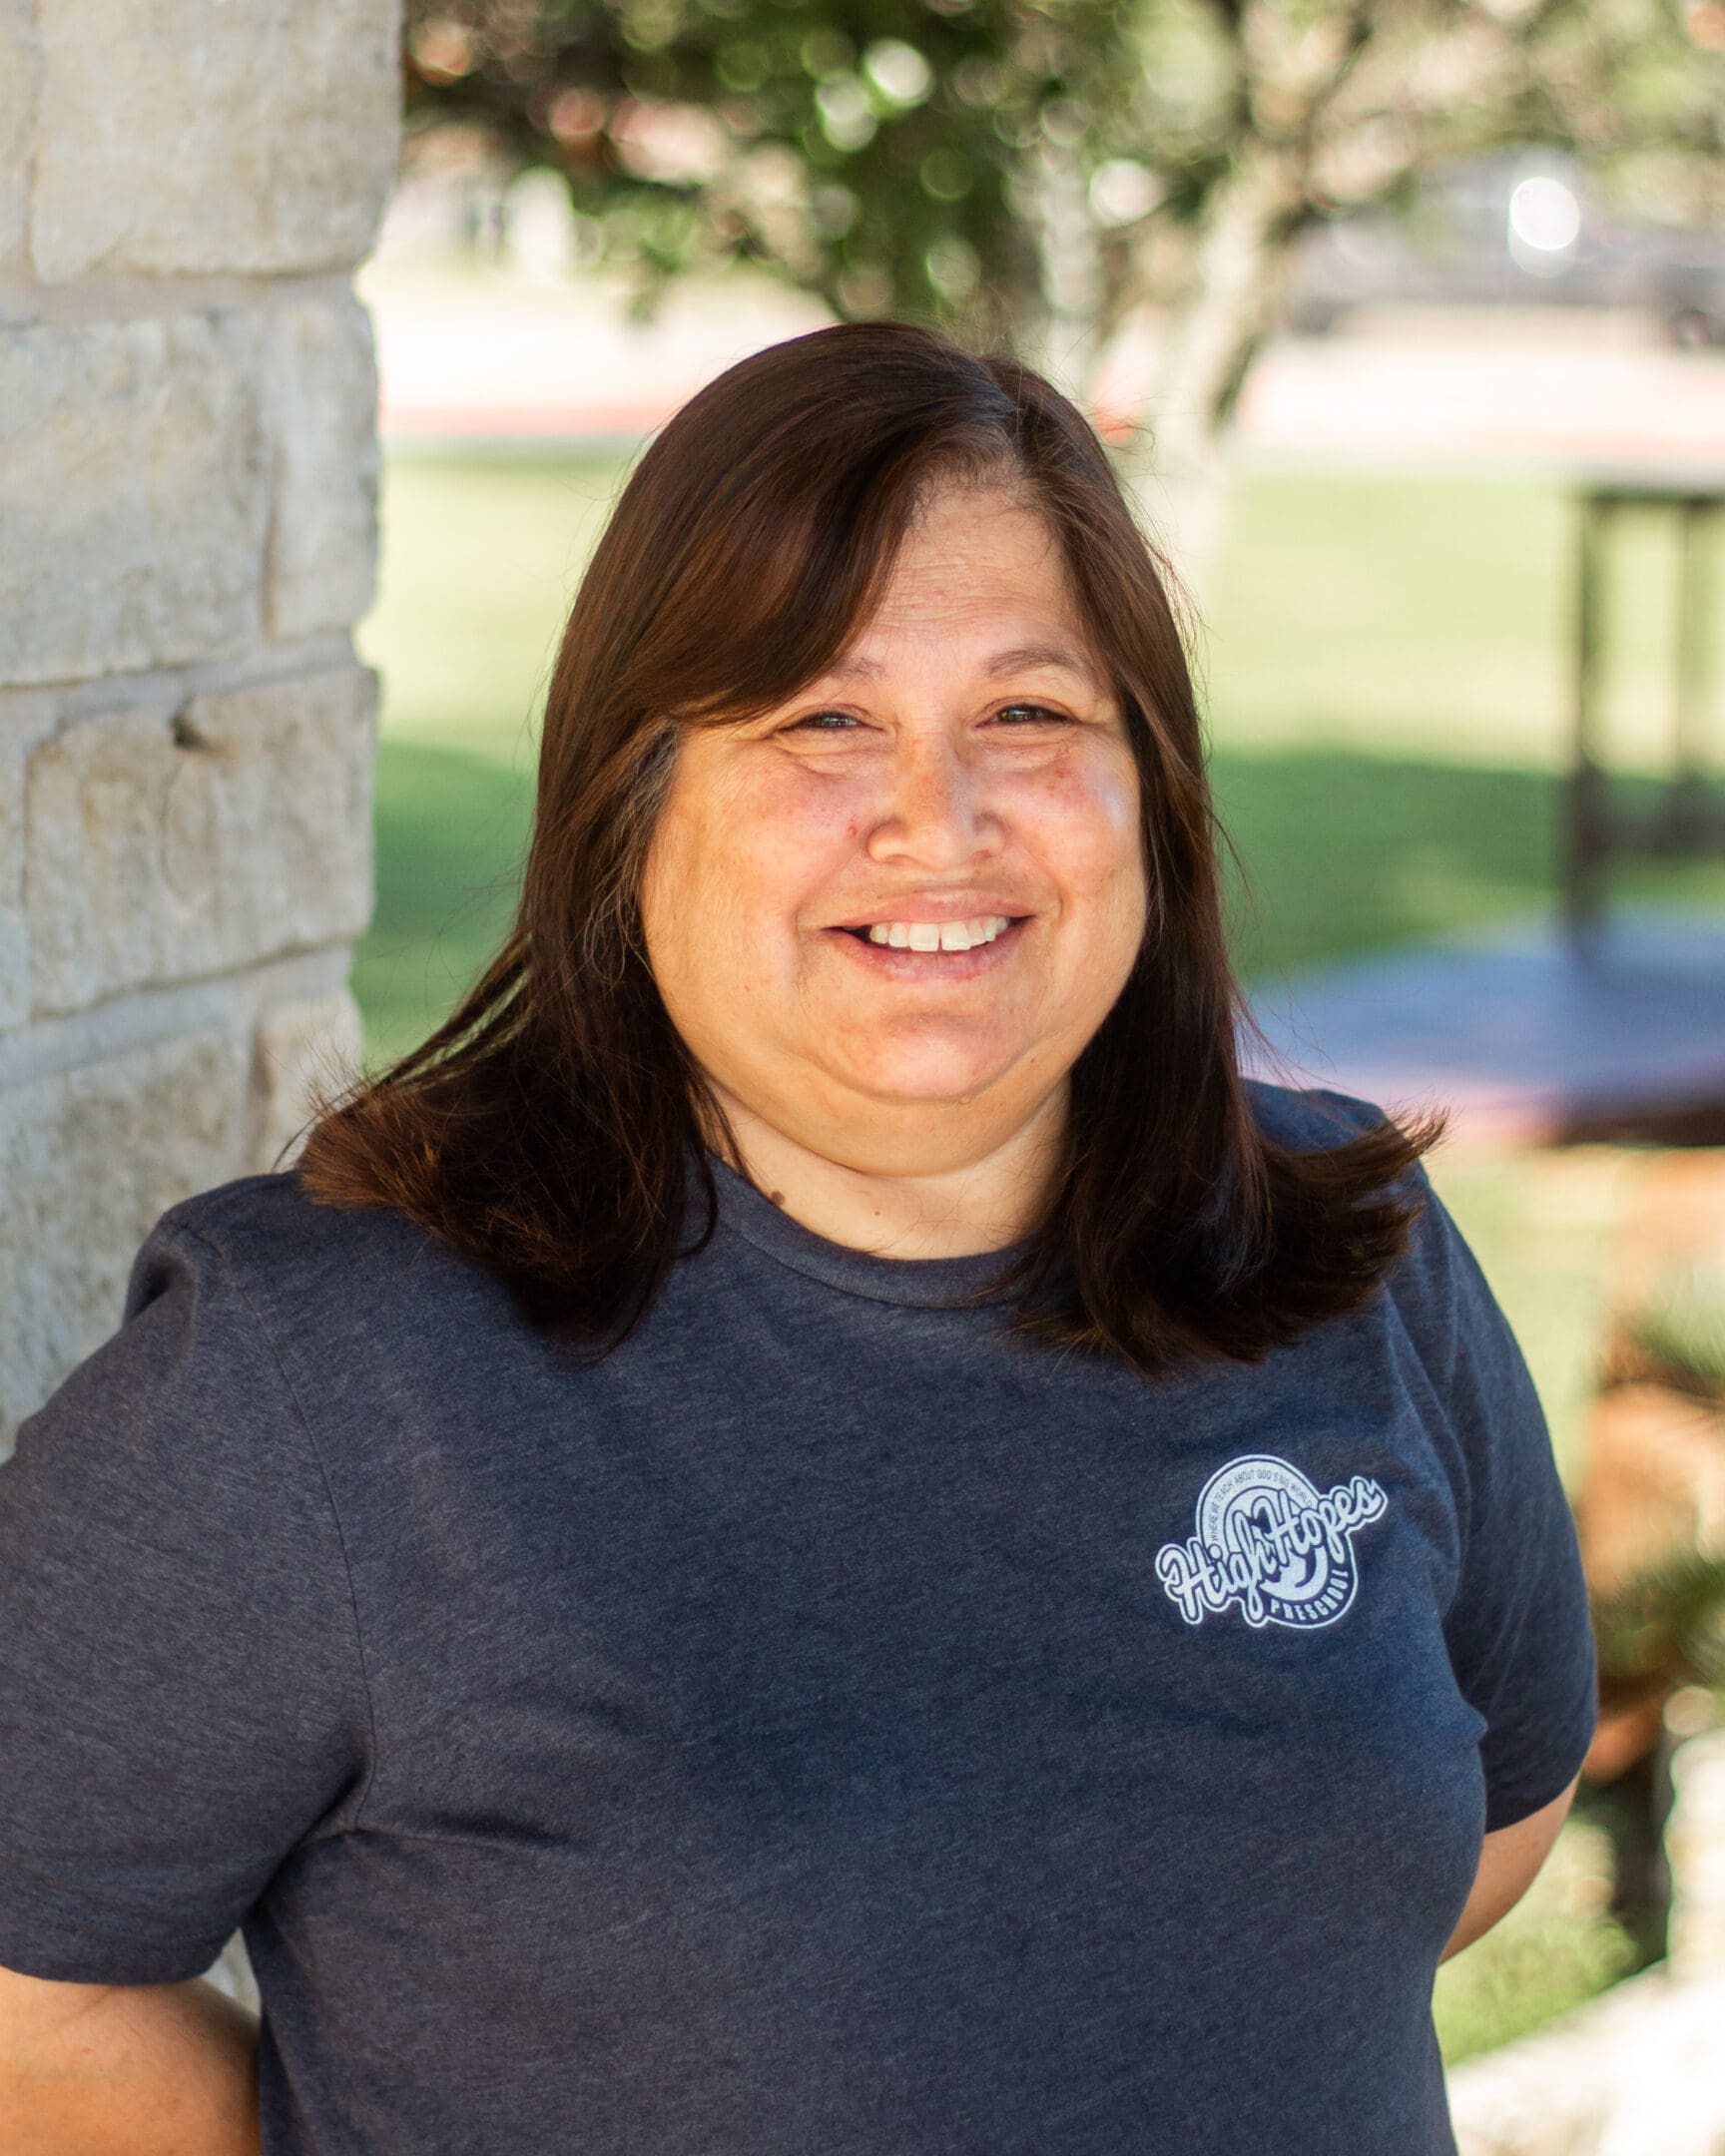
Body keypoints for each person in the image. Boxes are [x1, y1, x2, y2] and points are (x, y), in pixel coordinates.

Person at [0, 318, 1595, 2156]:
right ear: (632, 803)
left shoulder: (1353, 1260)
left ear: (1145, 786)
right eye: (821, 718)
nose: (938, 818)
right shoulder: (316, 1377)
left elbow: (1483, 1819)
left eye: (1030, 712)